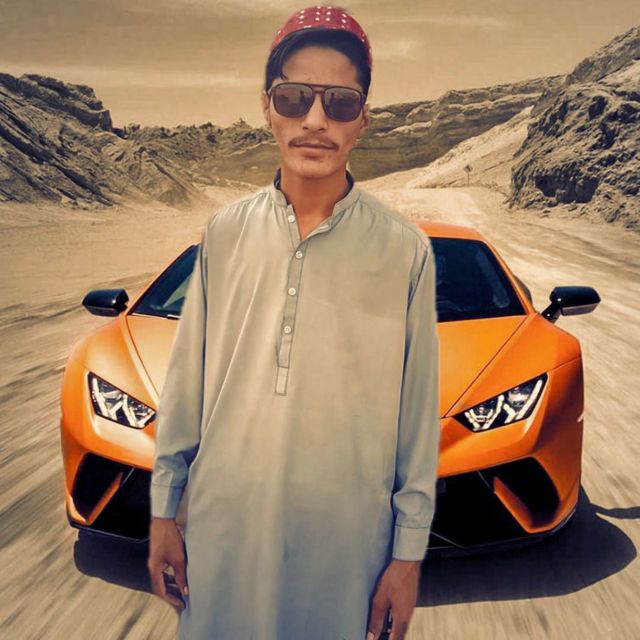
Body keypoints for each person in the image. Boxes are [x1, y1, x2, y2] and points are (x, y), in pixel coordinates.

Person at [147, 5, 441, 640]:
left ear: (363, 119)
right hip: (221, 537)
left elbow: (416, 422)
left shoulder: (405, 251)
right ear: (267, 107)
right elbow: (185, 387)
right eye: (294, 98)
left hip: (347, 550)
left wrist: (408, 557)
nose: (314, 120)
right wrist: (164, 512)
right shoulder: (224, 233)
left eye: (339, 102)